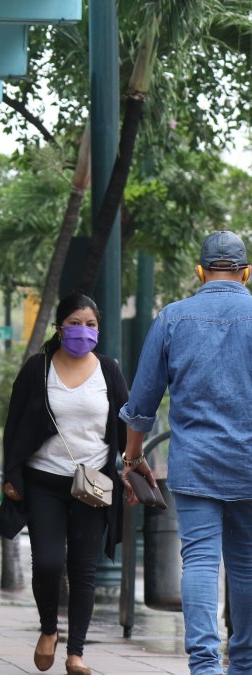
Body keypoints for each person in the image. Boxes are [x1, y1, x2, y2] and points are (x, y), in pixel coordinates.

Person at [118, 231, 252, 675]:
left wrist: (133, 458)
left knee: (199, 561)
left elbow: (142, 403)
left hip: (195, 464)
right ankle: (245, 664)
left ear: (199, 272)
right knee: (246, 566)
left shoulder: (173, 318)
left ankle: (205, 666)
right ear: (246, 273)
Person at [0, 293, 128, 675]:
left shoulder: (109, 370)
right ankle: (49, 629)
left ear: (98, 329)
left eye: (90, 324)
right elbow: (14, 425)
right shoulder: (37, 369)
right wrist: (11, 475)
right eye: (74, 323)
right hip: (44, 482)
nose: (83, 331)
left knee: (83, 569)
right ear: (59, 327)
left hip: (93, 483)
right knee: (49, 562)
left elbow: (126, 425)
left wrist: (131, 470)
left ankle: (76, 653)